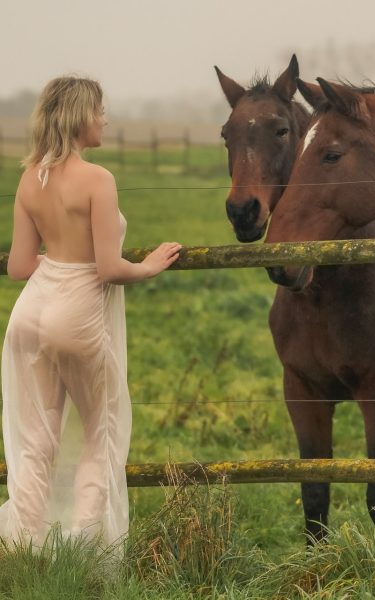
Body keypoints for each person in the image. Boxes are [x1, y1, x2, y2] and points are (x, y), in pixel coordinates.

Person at [0, 75, 181, 547]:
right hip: (77, 316)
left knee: (36, 440)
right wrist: (149, 266)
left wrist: (55, 262)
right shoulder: (98, 179)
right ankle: (86, 546)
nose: (105, 119)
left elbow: (19, 267)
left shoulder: (29, 176)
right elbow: (107, 267)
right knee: (102, 432)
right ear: (82, 117)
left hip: (30, 314)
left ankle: (22, 545)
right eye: (100, 111)